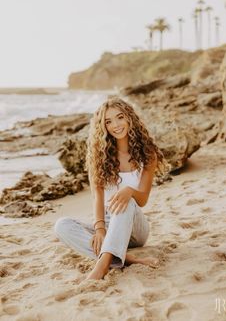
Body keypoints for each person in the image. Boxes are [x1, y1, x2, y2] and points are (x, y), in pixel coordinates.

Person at [54, 98, 168, 280]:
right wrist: (99, 229)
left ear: (130, 118)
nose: (115, 125)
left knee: (127, 201)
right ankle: (125, 258)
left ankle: (101, 267)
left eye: (120, 117)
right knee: (62, 226)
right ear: (103, 126)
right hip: (108, 224)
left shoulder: (147, 153)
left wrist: (129, 191)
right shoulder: (98, 156)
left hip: (135, 227)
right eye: (108, 121)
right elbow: (96, 197)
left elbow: (143, 200)